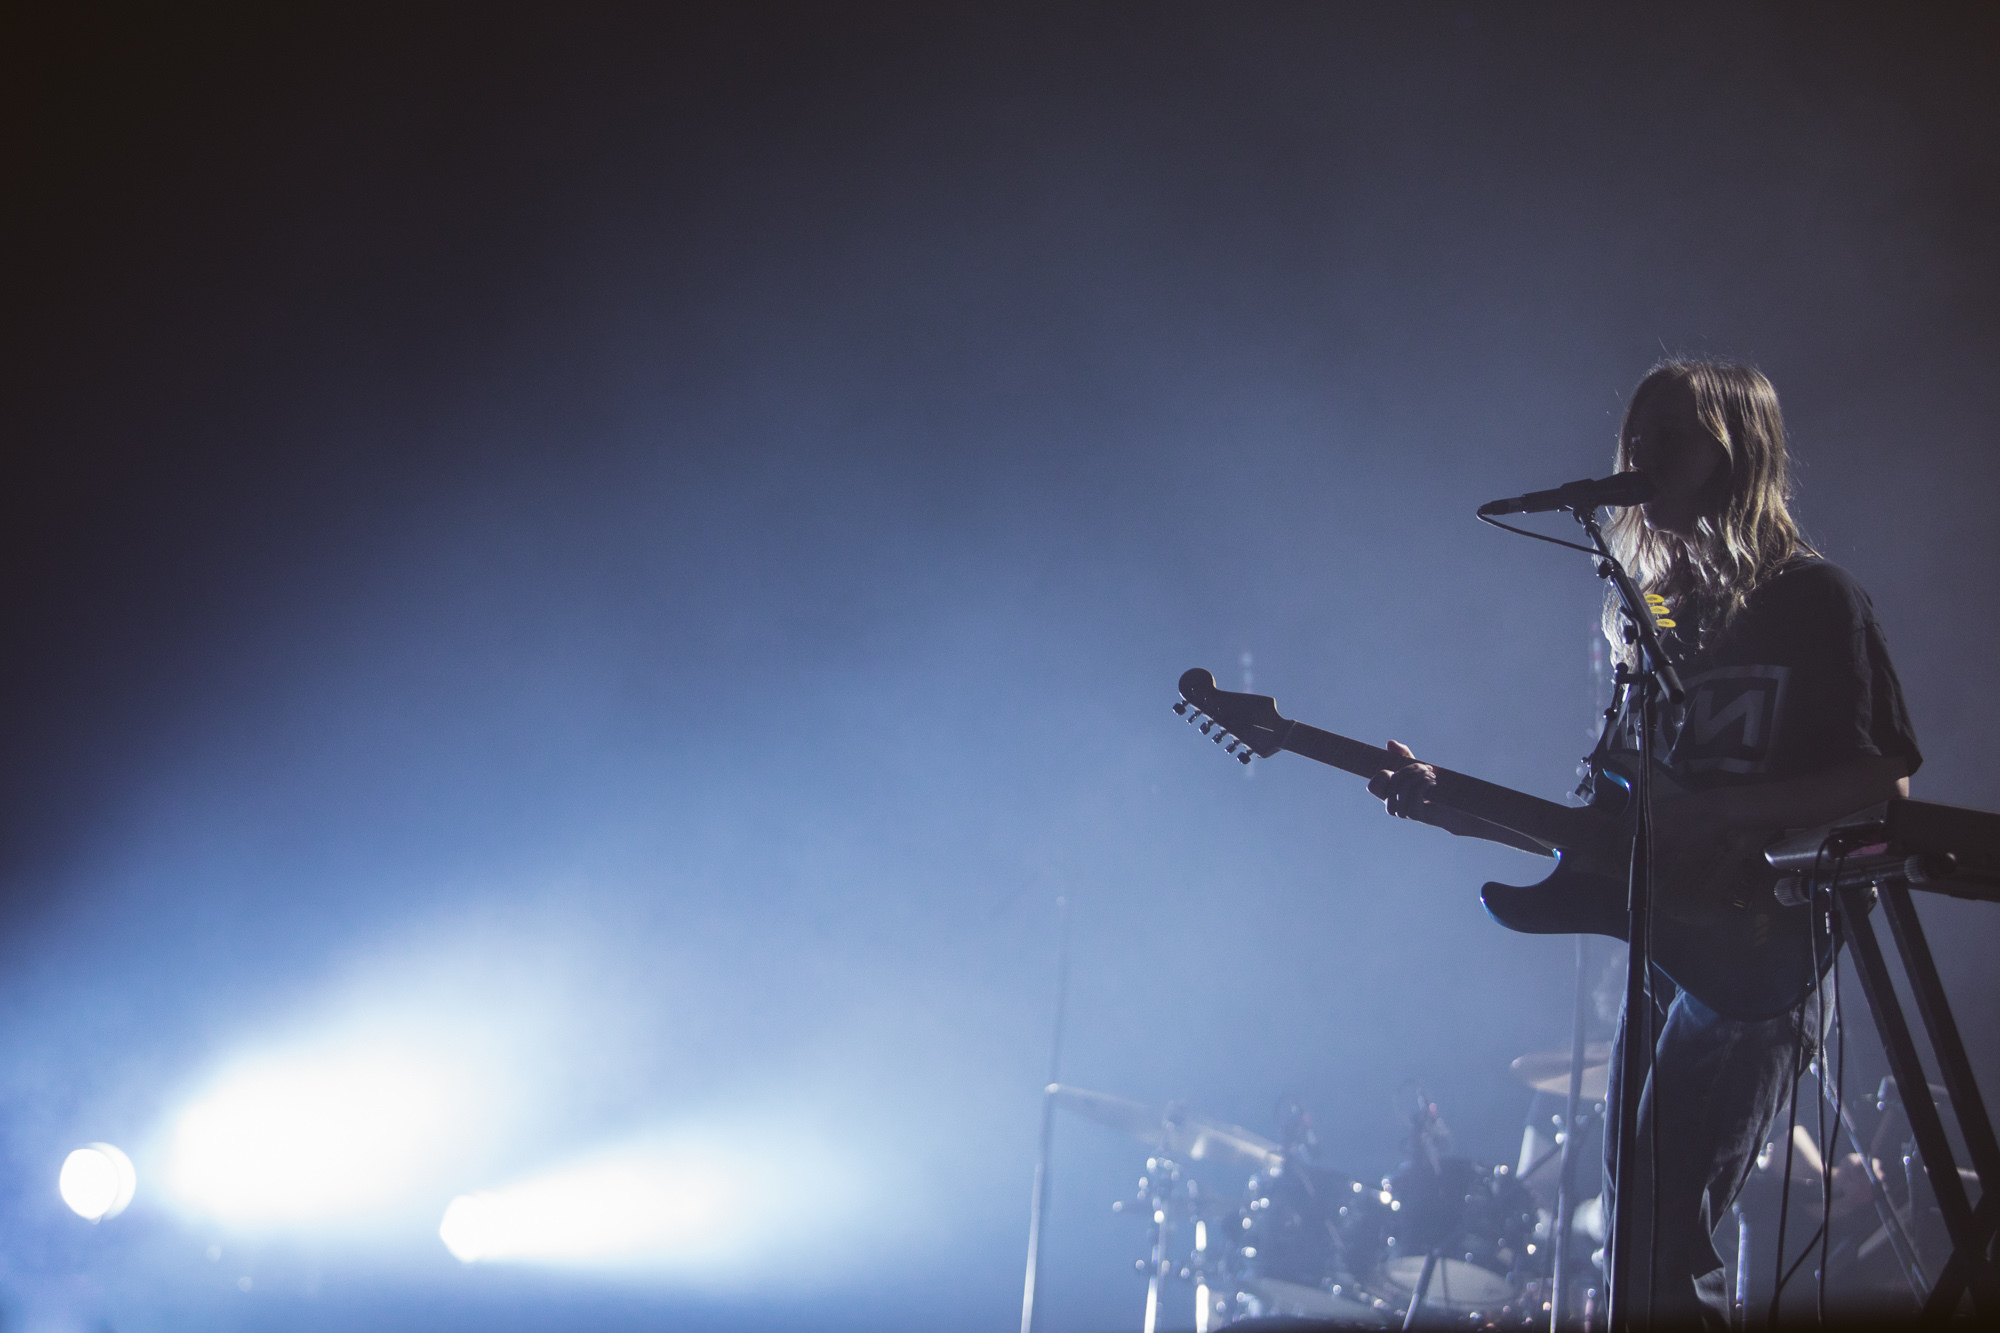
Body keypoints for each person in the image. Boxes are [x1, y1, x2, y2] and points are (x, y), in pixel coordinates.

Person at [1366, 359, 1921, 1328]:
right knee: (1635, 1231)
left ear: (1736, 450)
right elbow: (1611, 826)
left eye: (1670, 435)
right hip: (1665, 943)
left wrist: (1726, 817)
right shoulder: (1650, 617)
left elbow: (1881, 776)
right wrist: (1449, 803)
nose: (1641, 455)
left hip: (1761, 941)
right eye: (1635, 435)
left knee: (1663, 1235)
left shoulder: (1813, 598)